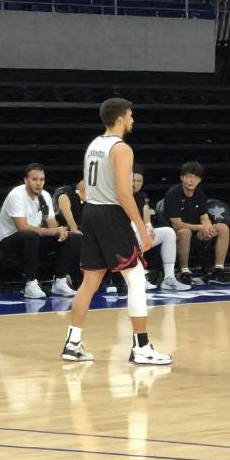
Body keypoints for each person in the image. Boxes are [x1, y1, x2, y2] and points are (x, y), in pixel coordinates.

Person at [59, 98, 172, 366]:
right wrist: (141, 228)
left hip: (91, 213)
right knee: (136, 278)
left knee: (90, 281)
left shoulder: (94, 145)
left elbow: (85, 187)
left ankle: (72, 343)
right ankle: (141, 346)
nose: (133, 120)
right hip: (110, 215)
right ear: (120, 118)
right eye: (131, 115)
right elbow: (124, 193)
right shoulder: (122, 149)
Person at [0, 163, 77, 299]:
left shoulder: (45, 195)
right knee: (30, 236)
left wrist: (59, 231)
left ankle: (60, 281)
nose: (38, 183)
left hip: (33, 238)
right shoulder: (16, 195)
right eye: (34, 179)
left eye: (42, 179)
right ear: (25, 180)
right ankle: (31, 284)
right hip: (8, 239)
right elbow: (22, 227)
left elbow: (51, 223)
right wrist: (53, 231)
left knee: (66, 236)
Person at [161, 161, 230, 286]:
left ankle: (218, 271)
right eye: (188, 176)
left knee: (223, 228)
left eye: (195, 177)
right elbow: (177, 224)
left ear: (200, 180)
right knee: (185, 232)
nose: (191, 180)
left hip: (196, 233)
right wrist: (201, 227)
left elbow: (204, 217)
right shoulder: (173, 194)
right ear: (182, 178)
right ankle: (184, 272)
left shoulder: (199, 193)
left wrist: (208, 227)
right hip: (175, 235)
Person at [132, 164, 190, 291]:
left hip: (139, 235)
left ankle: (169, 279)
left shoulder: (140, 196)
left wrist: (148, 225)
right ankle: (138, 279)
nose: (136, 184)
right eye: (133, 180)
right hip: (122, 238)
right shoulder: (120, 195)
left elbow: (145, 210)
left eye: (139, 181)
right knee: (135, 233)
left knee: (168, 232)